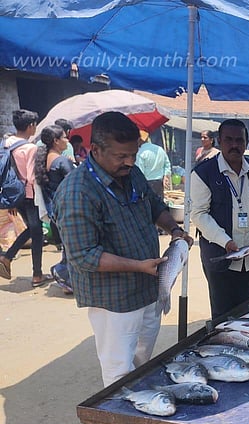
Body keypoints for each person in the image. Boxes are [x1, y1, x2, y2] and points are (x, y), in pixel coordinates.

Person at [53, 111, 193, 389]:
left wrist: (174, 230)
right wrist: (138, 266)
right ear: (95, 150)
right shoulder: (77, 192)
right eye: (121, 156)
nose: (129, 162)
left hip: (148, 288)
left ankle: (138, 400)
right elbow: (83, 256)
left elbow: (154, 205)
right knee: (118, 367)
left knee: (142, 360)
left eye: (133, 154)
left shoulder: (133, 174)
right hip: (114, 299)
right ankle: (123, 411)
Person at [191, 119, 249, 320]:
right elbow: (199, 215)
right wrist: (226, 241)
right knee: (222, 316)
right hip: (221, 257)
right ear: (219, 141)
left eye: (239, 140)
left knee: (245, 311)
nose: (234, 145)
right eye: (229, 140)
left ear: (246, 142)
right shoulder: (204, 173)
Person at [0, 109, 53, 288]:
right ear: (31, 126)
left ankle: (8, 258)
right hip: (29, 195)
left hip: (14, 194)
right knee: (36, 232)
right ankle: (36, 275)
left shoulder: (6, 143)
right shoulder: (30, 148)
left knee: (33, 229)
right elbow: (32, 177)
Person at [34, 125, 76, 294]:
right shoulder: (61, 161)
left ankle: (67, 280)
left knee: (68, 245)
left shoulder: (46, 160)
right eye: (64, 137)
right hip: (67, 209)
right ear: (56, 141)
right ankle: (62, 273)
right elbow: (74, 183)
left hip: (55, 210)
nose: (67, 140)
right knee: (73, 246)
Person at [135, 130, 171, 200]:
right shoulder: (160, 149)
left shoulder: (140, 153)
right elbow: (167, 164)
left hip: (147, 183)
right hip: (159, 183)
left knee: (148, 204)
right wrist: (166, 176)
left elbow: (139, 172)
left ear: (139, 140)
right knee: (159, 203)